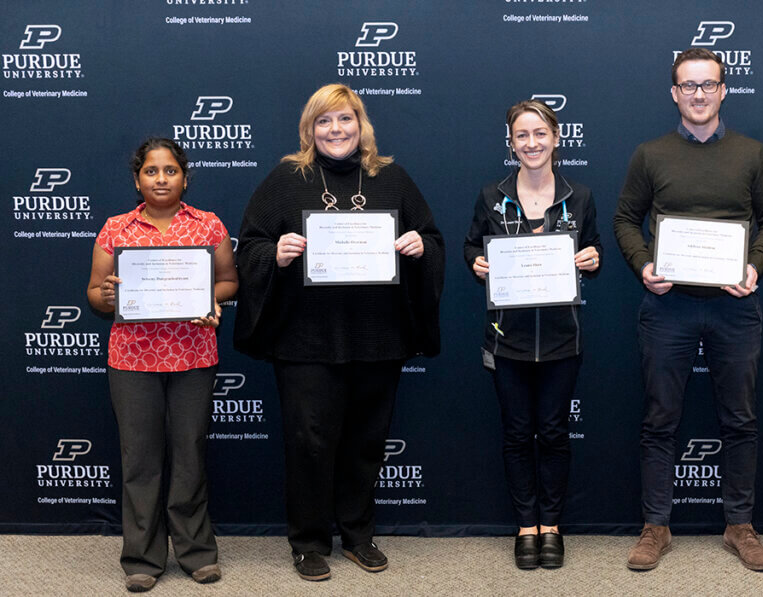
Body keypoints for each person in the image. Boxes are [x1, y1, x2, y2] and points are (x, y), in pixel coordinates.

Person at [233, 83, 444, 582]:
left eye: (345, 119)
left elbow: (431, 238)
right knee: (309, 442)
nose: (336, 130)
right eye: (324, 121)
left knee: (366, 441)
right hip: (306, 341)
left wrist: (420, 246)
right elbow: (250, 246)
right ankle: (308, 541)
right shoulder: (288, 179)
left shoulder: (391, 178)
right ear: (310, 129)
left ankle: (357, 533)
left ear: (361, 124)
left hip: (378, 338)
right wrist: (275, 254)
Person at [613, 48, 763, 572]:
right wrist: (644, 264)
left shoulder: (753, 154)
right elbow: (626, 219)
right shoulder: (650, 154)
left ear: (723, 90)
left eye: (708, 84)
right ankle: (655, 526)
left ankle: (740, 526)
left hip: (735, 309)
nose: (698, 94)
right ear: (674, 93)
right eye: (688, 85)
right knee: (660, 419)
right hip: (669, 309)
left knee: (741, 420)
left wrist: (755, 265)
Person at [86, 138, 237, 593]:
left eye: (170, 170)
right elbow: (95, 294)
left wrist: (213, 297)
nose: (161, 179)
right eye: (151, 171)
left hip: (193, 355)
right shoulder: (116, 229)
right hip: (132, 358)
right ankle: (142, 557)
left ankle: (196, 553)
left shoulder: (208, 225)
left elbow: (230, 280)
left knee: (190, 454)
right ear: (137, 180)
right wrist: (108, 296)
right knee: (140, 460)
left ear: (185, 177)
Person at [464, 100, 601, 570]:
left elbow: (595, 245)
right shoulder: (491, 195)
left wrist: (592, 257)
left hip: (563, 339)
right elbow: (471, 245)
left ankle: (552, 526)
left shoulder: (579, 195)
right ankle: (526, 525)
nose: (532, 143)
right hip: (508, 339)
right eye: (522, 135)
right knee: (519, 434)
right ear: (511, 143)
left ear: (556, 138)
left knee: (556, 433)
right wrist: (476, 263)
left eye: (540, 133)